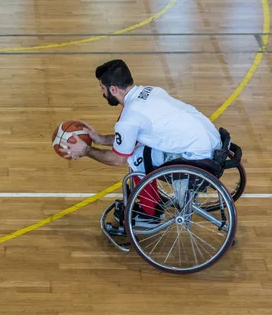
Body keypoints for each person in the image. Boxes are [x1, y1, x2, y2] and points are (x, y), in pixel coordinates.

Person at [62, 59, 222, 226]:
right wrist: (101, 139)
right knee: (142, 148)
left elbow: (118, 159)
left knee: (136, 157)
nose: (102, 93)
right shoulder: (150, 91)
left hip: (197, 157)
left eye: (103, 88)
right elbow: (132, 138)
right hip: (213, 142)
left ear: (113, 89)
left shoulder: (130, 116)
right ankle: (152, 199)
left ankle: (149, 214)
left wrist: (86, 151)